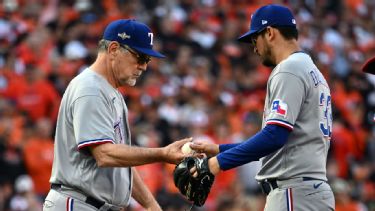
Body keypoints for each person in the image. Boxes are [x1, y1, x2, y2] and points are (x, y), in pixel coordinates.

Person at [190, 4, 335, 210]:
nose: (254, 48)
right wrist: (220, 150)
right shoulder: (313, 71)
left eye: (254, 39)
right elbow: (280, 145)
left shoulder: (289, 69)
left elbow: (274, 136)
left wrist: (215, 164)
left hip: (294, 193)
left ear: (269, 33)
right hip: (306, 190)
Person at [43, 19, 192, 211]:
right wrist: (162, 154)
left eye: (147, 60)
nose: (144, 66)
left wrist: (151, 205)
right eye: (140, 57)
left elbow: (122, 162)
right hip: (78, 203)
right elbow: (104, 154)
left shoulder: (110, 91)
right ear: (113, 49)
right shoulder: (91, 89)